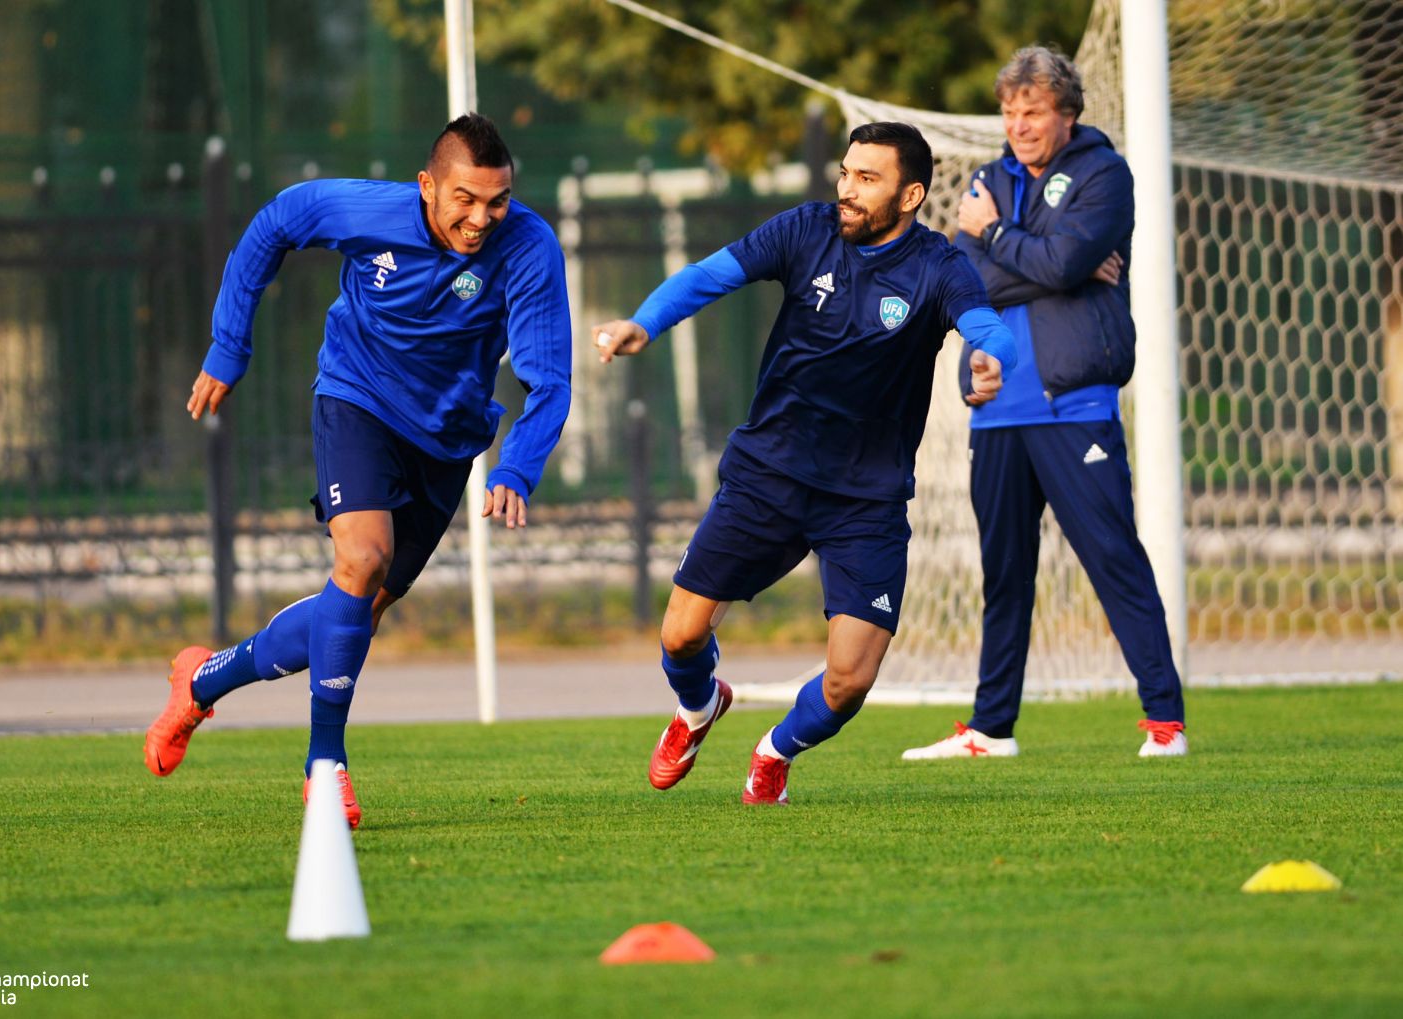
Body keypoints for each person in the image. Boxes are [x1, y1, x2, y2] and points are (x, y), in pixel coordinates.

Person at [143, 113, 572, 826]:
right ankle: (325, 764)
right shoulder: (367, 210)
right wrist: (228, 344)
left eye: (496, 201)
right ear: (427, 185)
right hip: (358, 397)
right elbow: (274, 224)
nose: (481, 218)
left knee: (357, 610)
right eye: (464, 198)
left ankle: (203, 677)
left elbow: (548, 375)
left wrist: (517, 466)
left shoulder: (528, 248)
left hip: (447, 441)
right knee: (362, 559)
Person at [594, 121, 1017, 805]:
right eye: (846, 173)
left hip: (867, 498)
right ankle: (700, 709)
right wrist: (645, 321)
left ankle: (774, 751)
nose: (847, 190)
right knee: (680, 636)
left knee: (850, 680)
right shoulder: (806, 229)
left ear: (910, 195)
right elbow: (711, 276)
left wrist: (989, 359)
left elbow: (987, 327)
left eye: (867, 179)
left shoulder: (938, 266)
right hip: (770, 473)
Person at [900, 47, 1187, 762]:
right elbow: (965, 285)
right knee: (1004, 575)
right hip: (996, 410)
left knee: (1112, 557)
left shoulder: (1104, 174)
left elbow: (1032, 260)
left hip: (1074, 404)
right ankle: (991, 727)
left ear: (1067, 113)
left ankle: (1164, 722)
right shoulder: (987, 178)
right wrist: (977, 363)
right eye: (1009, 111)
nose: (1019, 124)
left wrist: (997, 236)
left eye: (1033, 111)